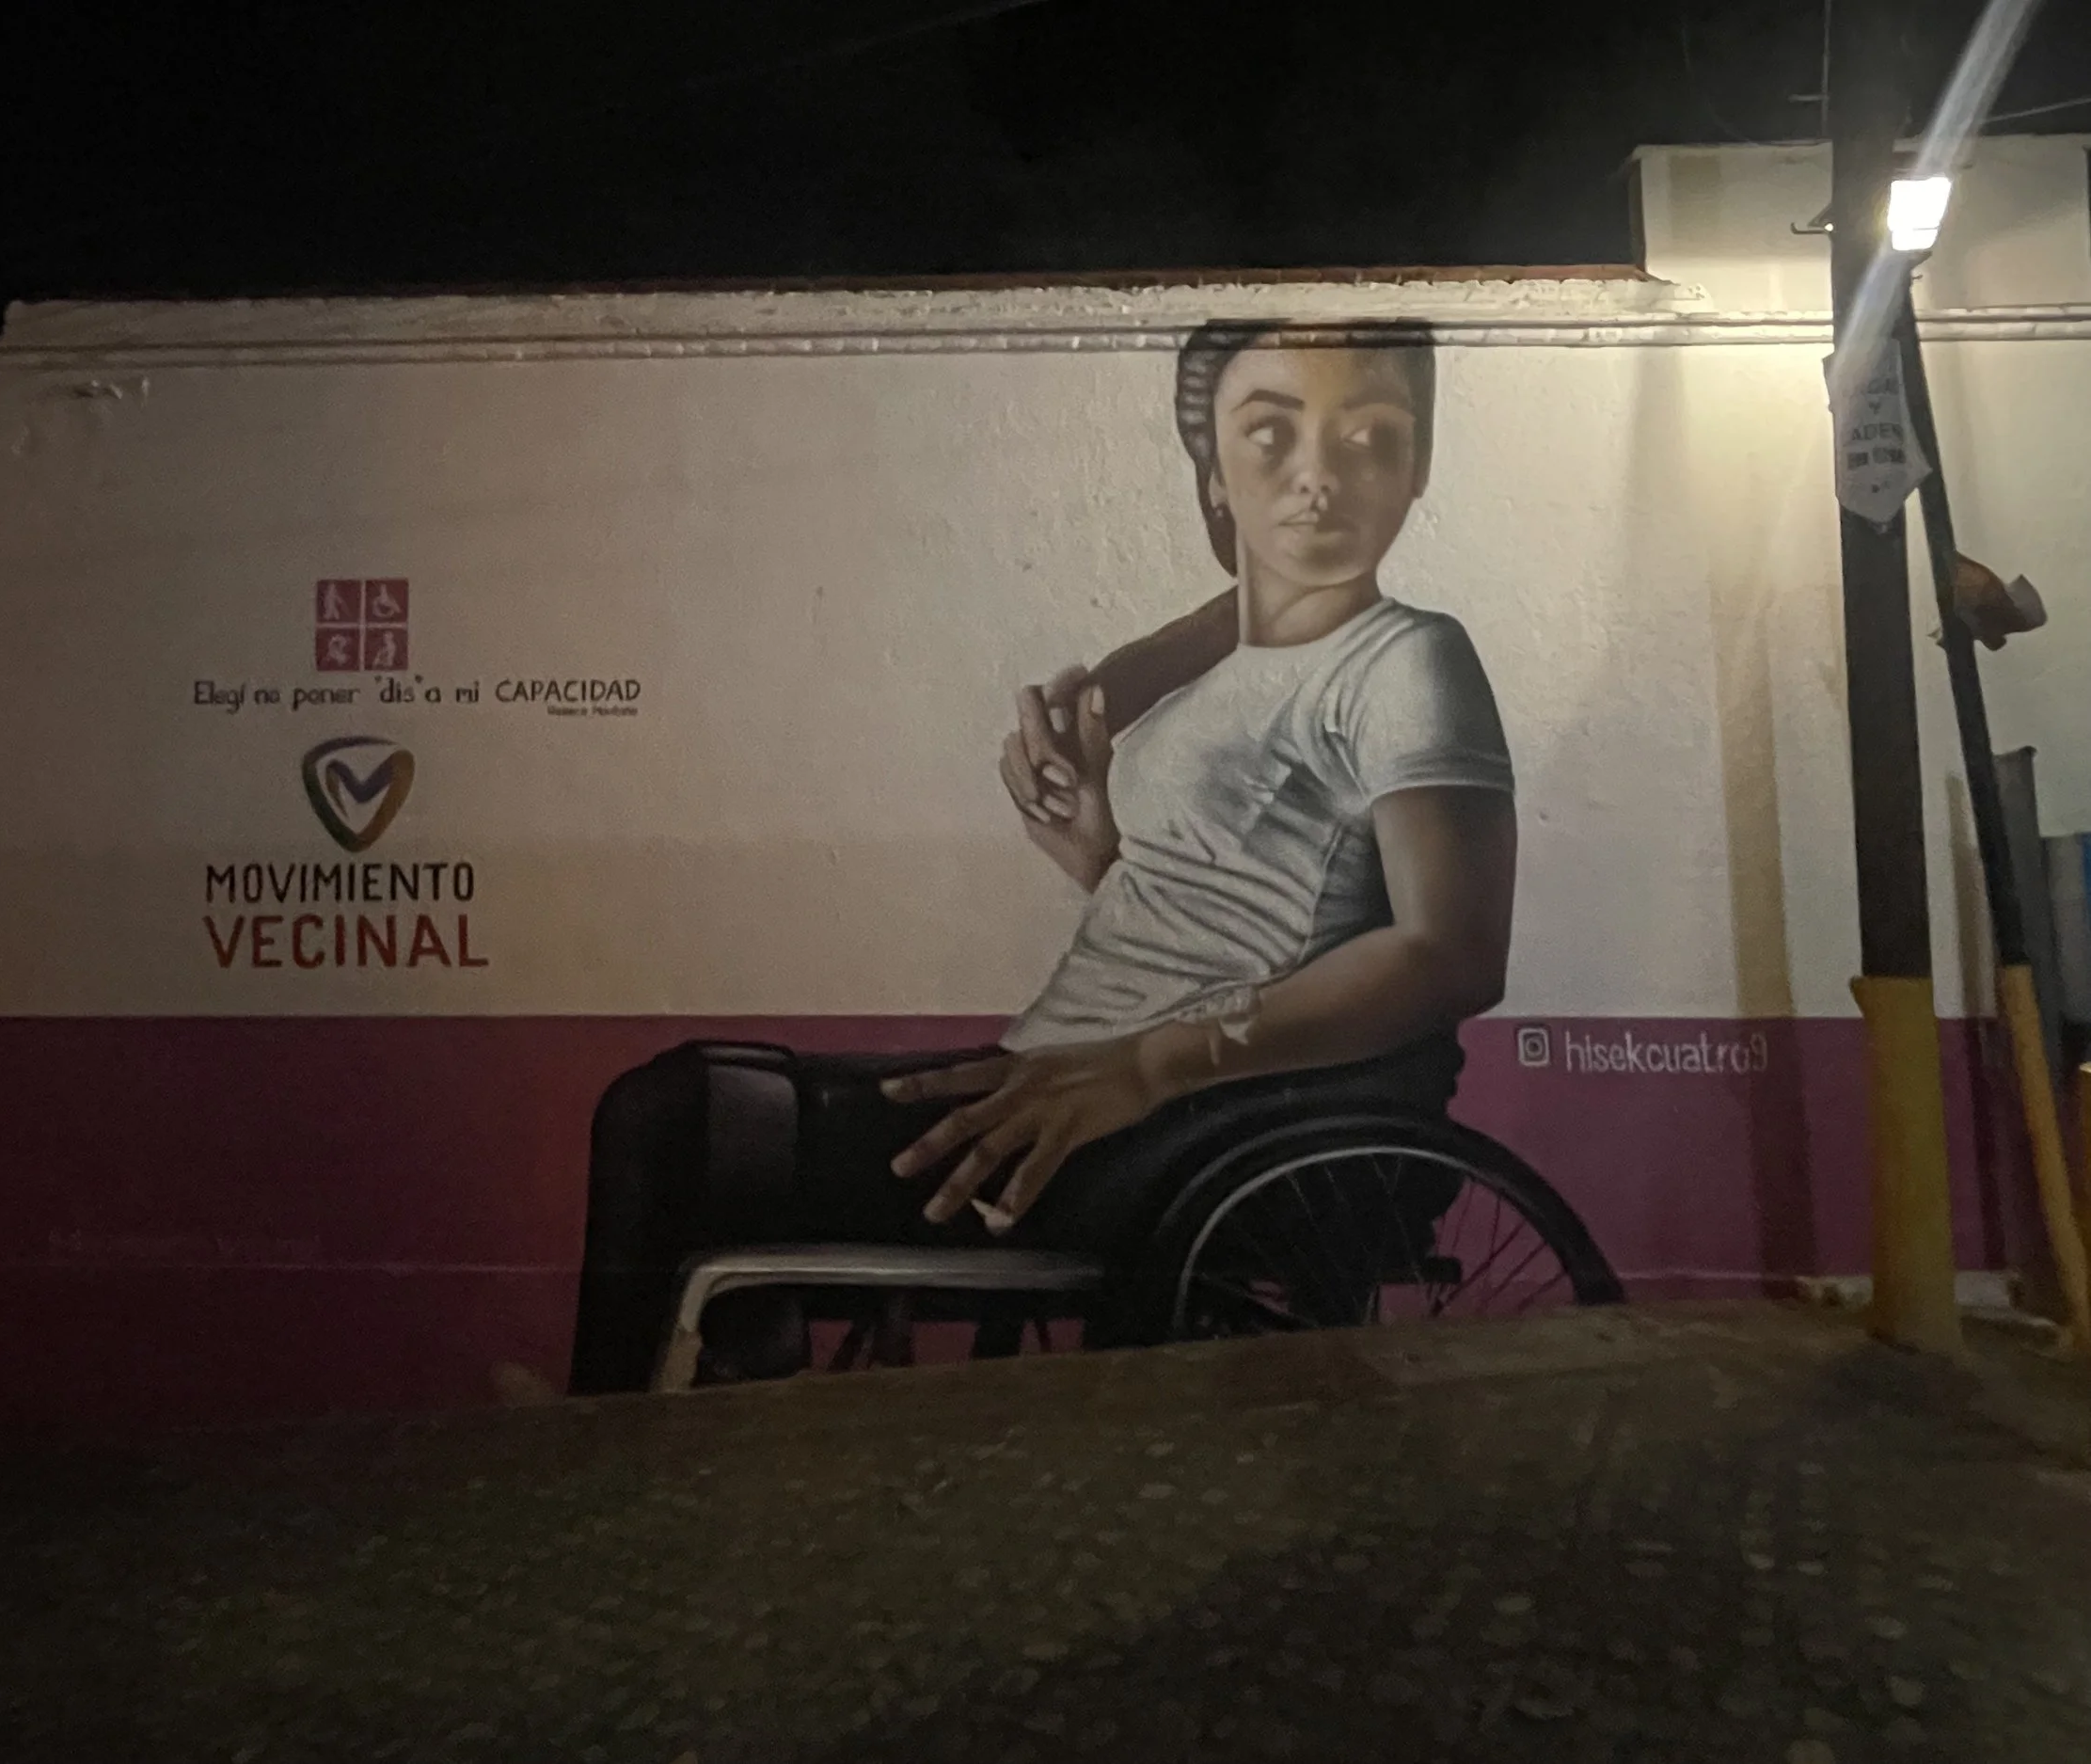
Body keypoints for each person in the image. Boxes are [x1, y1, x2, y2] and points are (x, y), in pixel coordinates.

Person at [569, 320, 1518, 1390]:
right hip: (1086, 1074)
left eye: (1367, 438)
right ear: (1209, 472)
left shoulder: (1409, 661)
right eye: (1269, 436)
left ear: (1419, 462)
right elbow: (1226, 912)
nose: (1317, 478)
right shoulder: (1240, 671)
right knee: (691, 1106)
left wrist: (1152, 1063)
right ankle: (681, 1418)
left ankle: (613, 1443)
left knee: (692, 1122)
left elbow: (1453, 951)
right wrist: (1099, 851)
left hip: (1212, 1120)